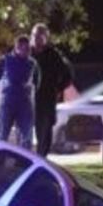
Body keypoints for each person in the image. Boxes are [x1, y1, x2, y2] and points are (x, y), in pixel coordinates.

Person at [30, 23, 74, 157]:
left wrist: (58, 89)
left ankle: (42, 159)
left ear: (46, 38)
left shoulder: (53, 55)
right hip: (29, 99)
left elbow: (68, 75)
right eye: (35, 35)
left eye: (40, 36)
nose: (37, 38)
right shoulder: (27, 53)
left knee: (45, 131)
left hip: (47, 99)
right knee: (30, 131)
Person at [0, 35, 41, 149]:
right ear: (17, 47)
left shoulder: (32, 64)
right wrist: (1, 94)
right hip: (7, 103)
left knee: (26, 137)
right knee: (2, 134)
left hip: (25, 104)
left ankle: (24, 163)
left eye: (28, 49)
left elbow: (37, 81)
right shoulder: (4, 60)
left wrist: (30, 94)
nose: (27, 52)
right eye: (24, 49)